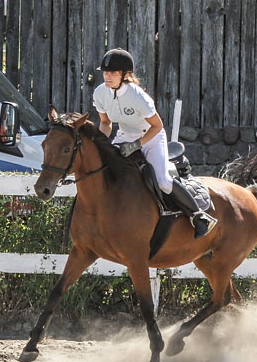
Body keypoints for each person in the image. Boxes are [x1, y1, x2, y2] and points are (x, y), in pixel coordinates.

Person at [93, 48, 217, 238]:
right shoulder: (100, 93)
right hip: (125, 135)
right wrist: (100, 144)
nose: (107, 76)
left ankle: (198, 216)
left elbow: (158, 126)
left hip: (150, 137)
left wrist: (136, 145)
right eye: (105, 72)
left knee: (163, 181)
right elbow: (105, 123)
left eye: (112, 73)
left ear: (125, 75)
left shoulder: (137, 96)